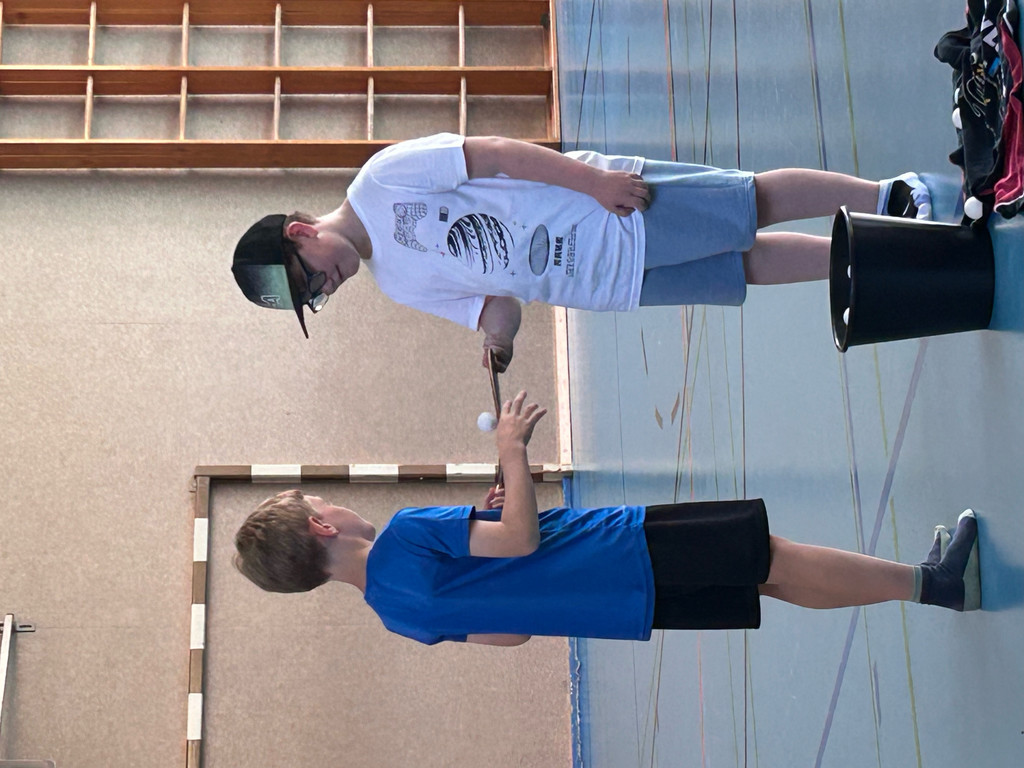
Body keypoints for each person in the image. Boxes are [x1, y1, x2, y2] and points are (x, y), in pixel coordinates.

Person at [233, 392, 980, 646]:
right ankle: (934, 582)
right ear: (322, 529)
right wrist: (512, 452)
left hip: (618, 607)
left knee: (767, 582)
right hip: (620, 550)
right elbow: (520, 538)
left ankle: (926, 585)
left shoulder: (395, 615)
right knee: (772, 557)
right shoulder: (403, 533)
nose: (331, 504)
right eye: (319, 506)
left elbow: (510, 631)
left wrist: (494, 518)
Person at [231, 134, 932, 370]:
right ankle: (876, 253)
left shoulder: (381, 180)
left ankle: (887, 196)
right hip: (606, 284)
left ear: (301, 235)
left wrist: (595, 183)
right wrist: (499, 341)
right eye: (315, 300)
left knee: (752, 204)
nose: (325, 289)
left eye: (310, 282)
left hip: (604, 213)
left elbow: (498, 154)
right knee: (743, 265)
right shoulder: (397, 283)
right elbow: (498, 305)